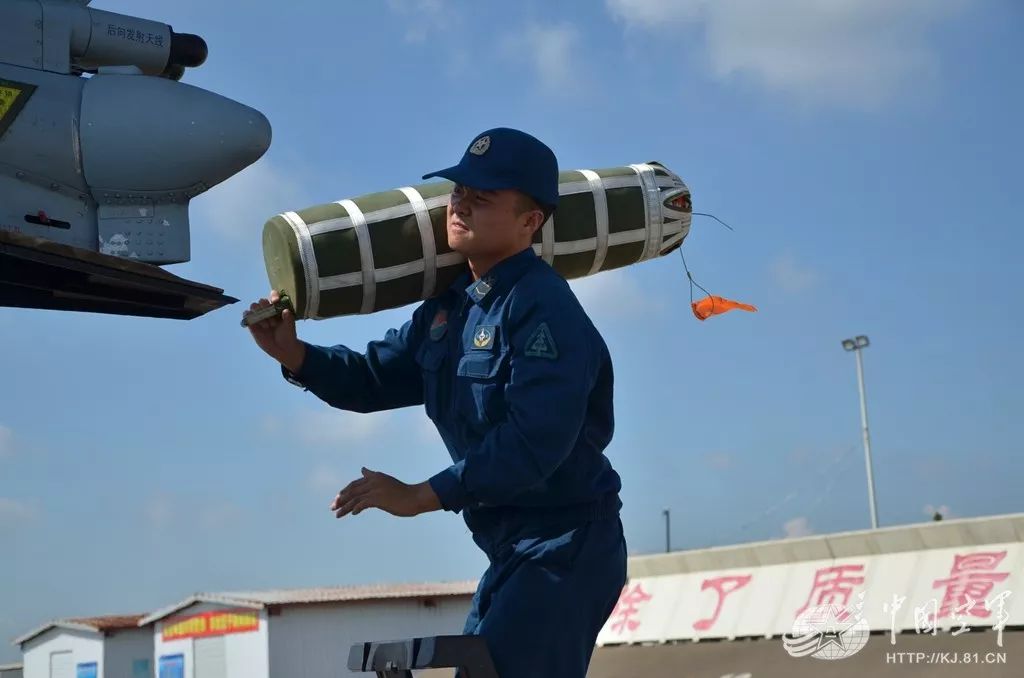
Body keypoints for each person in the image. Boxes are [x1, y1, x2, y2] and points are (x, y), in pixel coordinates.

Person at [247, 127, 627, 678]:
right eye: (459, 192)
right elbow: (373, 377)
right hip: (511, 551)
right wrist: (297, 355)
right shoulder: (450, 310)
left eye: (483, 197)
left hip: (565, 548)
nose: (462, 205)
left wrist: (422, 495)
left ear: (530, 221)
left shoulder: (544, 309)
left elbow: (534, 442)